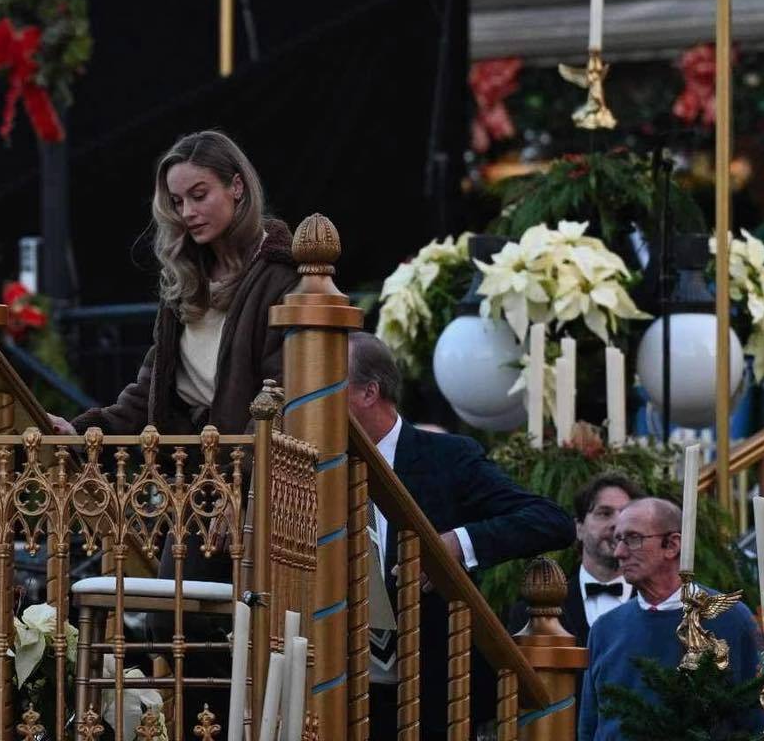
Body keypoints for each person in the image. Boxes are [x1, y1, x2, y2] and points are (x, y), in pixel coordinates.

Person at [347, 332, 574, 740]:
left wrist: (457, 544)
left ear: (368, 393)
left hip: (433, 690)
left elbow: (550, 520)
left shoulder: (447, 457)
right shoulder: (311, 459)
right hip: (339, 686)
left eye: (326, 384)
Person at [49, 129, 297, 438]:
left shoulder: (281, 275)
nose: (188, 213)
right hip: (184, 469)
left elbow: (281, 395)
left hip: (248, 473)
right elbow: (151, 389)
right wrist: (82, 430)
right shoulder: (184, 275)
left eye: (199, 195)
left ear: (236, 186)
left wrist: (240, 474)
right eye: (177, 201)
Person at [577, 497, 764, 741]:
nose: (619, 552)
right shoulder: (605, 629)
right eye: (618, 539)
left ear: (672, 545)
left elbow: (758, 720)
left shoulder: (730, 619)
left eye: (633, 539)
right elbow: (589, 726)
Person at [508, 472, 642, 647]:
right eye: (605, 513)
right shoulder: (530, 613)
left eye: (626, 514)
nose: (617, 524)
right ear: (579, 528)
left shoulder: (661, 606)